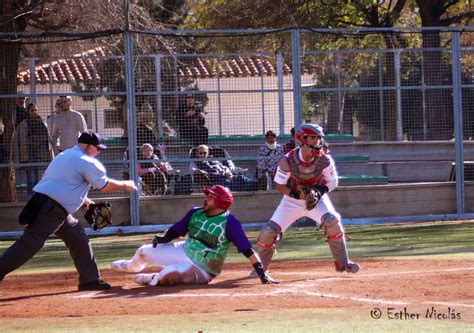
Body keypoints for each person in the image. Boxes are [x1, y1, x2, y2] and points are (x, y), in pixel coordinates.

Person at [0, 131, 138, 290]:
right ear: (88, 147)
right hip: (52, 209)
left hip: (47, 204)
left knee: (78, 237)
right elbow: (105, 186)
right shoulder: (87, 161)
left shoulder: (65, 155)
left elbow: (63, 180)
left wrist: (83, 199)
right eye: (98, 148)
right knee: (29, 244)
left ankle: (90, 280)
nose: (99, 152)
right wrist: (125, 184)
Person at [111, 185, 277, 286]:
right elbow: (176, 230)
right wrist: (164, 237)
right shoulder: (196, 213)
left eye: (210, 197)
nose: (206, 199)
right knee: (143, 251)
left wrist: (261, 272)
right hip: (184, 250)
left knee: (169, 273)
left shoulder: (230, 223)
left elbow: (247, 250)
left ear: (220, 202)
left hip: (203, 268)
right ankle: (130, 266)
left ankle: (154, 278)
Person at [253, 123, 360, 275]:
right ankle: (260, 268)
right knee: (268, 231)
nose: (316, 142)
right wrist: (298, 195)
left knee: (332, 220)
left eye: (318, 138)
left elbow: (333, 182)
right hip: (292, 200)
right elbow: (279, 186)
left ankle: (343, 263)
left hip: (318, 200)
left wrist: (319, 191)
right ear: (302, 139)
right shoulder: (287, 160)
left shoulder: (325, 160)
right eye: (312, 138)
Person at [12, 103, 53, 197]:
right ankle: (30, 196)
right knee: (30, 177)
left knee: (40, 176)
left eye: (36, 110)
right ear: (28, 112)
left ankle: (38, 196)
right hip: (29, 155)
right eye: (32, 110)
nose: (34, 112)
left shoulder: (42, 122)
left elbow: (46, 138)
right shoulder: (23, 124)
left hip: (41, 155)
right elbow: (21, 141)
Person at [191, 145, 256, 192]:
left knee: (240, 178)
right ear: (197, 154)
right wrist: (201, 172)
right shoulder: (195, 162)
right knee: (233, 184)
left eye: (205, 153)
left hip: (224, 177)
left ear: (207, 153)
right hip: (214, 181)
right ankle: (255, 186)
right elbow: (193, 170)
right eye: (200, 153)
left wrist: (229, 174)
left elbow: (224, 168)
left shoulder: (213, 160)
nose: (203, 155)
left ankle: (257, 184)